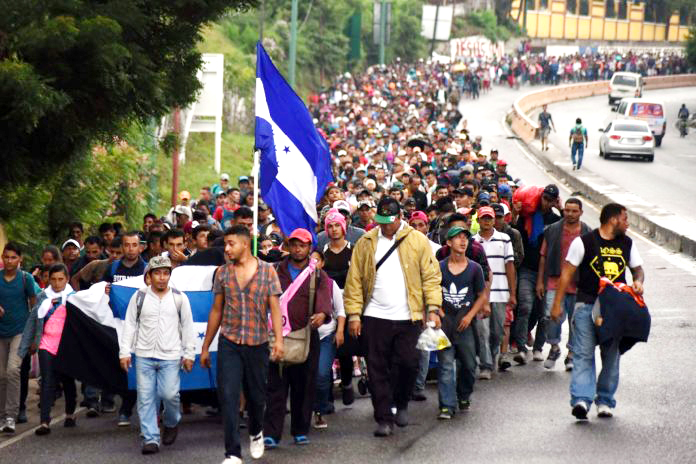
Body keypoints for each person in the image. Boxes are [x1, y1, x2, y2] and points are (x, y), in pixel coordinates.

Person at [344, 196, 442, 437]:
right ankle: (384, 417)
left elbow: (430, 277)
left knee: (409, 362)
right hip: (374, 315)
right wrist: (354, 314)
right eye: (381, 221)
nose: (385, 226)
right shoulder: (366, 242)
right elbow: (354, 280)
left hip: (409, 315)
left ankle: (402, 402)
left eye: (390, 221)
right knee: (377, 368)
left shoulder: (418, 241)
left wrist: (433, 308)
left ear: (400, 218)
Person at [551, 203, 644, 420]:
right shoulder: (584, 242)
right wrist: (557, 304)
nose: (627, 223)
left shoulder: (627, 244)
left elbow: (638, 269)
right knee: (583, 353)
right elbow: (566, 274)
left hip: (615, 310)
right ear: (613, 220)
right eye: (625, 219)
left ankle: (604, 400)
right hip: (586, 305)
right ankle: (582, 400)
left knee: (611, 355)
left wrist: (638, 282)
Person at [200, 225, 284, 464]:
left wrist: (278, 340)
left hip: (258, 343)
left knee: (257, 398)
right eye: (225, 244)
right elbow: (216, 310)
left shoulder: (268, 271)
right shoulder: (222, 273)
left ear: (245, 244)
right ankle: (233, 452)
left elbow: (275, 309)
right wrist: (206, 346)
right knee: (228, 395)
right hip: (230, 342)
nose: (226, 248)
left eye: (230, 244)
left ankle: (256, 430)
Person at [119, 256, 196, 455]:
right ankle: (150, 438)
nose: (161, 278)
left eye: (165, 273)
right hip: (143, 355)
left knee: (170, 395)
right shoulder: (139, 297)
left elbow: (188, 327)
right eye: (157, 273)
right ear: (149, 276)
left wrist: (189, 354)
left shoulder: (180, 298)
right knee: (145, 398)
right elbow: (129, 325)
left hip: (170, 356)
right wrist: (125, 352)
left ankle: (171, 422)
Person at [263, 228, 333, 448]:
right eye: (294, 244)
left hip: (306, 336)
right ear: (287, 246)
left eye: (302, 245)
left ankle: (300, 430)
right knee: (275, 386)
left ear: (309, 247)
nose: (297, 248)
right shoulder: (274, 271)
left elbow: (324, 298)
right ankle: (272, 433)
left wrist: (322, 313)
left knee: (304, 385)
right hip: (277, 336)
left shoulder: (318, 274)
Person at [18, 264, 77, 436]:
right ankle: (44, 421)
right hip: (46, 343)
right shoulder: (42, 296)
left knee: (67, 380)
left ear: (67, 279)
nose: (57, 283)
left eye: (61, 279)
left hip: (66, 345)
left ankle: (70, 414)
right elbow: (33, 321)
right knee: (47, 381)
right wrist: (28, 344)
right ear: (48, 280)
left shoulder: (74, 298)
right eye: (53, 279)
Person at [535, 198, 591, 370]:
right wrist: (540, 282)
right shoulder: (552, 230)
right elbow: (543, 256)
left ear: (581, 212)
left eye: (574, 211)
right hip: (554, 281)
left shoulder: (588, 233)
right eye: (567, 210)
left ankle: (571, 355)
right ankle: (554, 347)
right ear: (563, 210)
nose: (570, 214)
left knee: (577, 322)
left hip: (579, 284)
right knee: (550, 317)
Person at [436, 227, 486, 419]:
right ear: (448, 243)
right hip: (444, 324)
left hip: (466, 325)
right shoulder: (439, 267)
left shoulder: (475, 268)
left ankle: (464, 395)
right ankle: (446, 405)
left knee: (469, 364)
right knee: (446, 365)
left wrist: (470, 315)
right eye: (457, 238)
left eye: (465, 238)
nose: (463, 241)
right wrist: (437, 311)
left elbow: (482, 295)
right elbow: (431, 290)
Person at [512, 184, 561, 365]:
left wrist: (562, 209)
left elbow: (568, 232)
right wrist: (516, 214)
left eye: (551, 200)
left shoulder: (556, 220)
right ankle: (521, 348)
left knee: (544, 313)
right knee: (525, 307)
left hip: (548, 274)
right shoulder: (528, 217)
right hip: (527, 269)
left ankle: (539, 347)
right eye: (545, 199)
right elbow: (516, 235)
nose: (547, 203)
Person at [0, 242, 41, 433]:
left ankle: (11, 415)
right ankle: (2, 415)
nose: (9, 261)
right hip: (1, 333)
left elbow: (35, 308)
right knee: (1, 376)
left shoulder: (25, 280)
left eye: (13, 257)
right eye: (6, 257)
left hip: (20, 332)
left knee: (13, 370)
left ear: (20, 259)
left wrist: (34, 337)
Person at [472, 206, 516, 378]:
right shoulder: (473, 242)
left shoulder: (504, 239)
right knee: (482, 331)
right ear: (478, 220)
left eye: (490, 218)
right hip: (480, 294)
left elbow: (510, 266)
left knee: (497, 331)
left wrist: (513, 293)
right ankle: (486, 365)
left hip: (500, 292)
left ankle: (491, 355)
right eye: (484, 218)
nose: (487, 221)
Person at [320, 209, 357, 407]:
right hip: (328, 304)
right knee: (327, 346)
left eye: (337, 225)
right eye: (330, 226)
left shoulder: (354, 250)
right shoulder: (322, 253)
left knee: (346, 347)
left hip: (349, 302)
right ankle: (326, 395)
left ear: (343, 227)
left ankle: (347, 382)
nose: (334, 230)